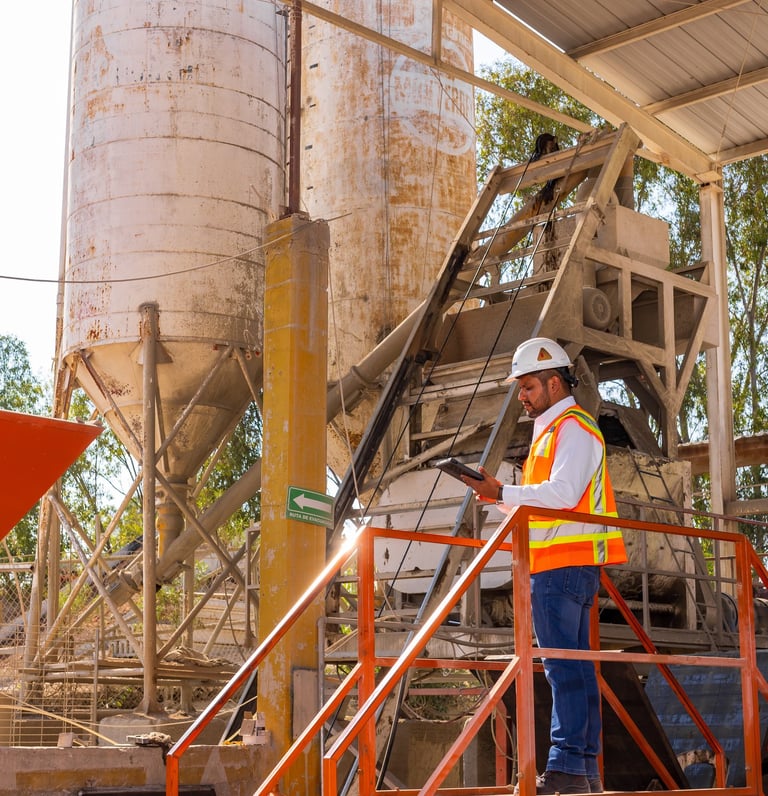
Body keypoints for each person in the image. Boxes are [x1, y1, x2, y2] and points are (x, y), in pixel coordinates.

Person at [461, 337, 627, 795]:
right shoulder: (555, 431)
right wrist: (499, 497)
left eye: (529, 386)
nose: (523, 396)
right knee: (574, 666)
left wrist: (503, 492)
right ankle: (583, 770)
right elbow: (546, 501)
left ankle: (568, 767)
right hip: (564, 565)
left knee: (562, 667)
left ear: (555, 383)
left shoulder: (573, 428)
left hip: (562, 567)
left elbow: (562, 494)